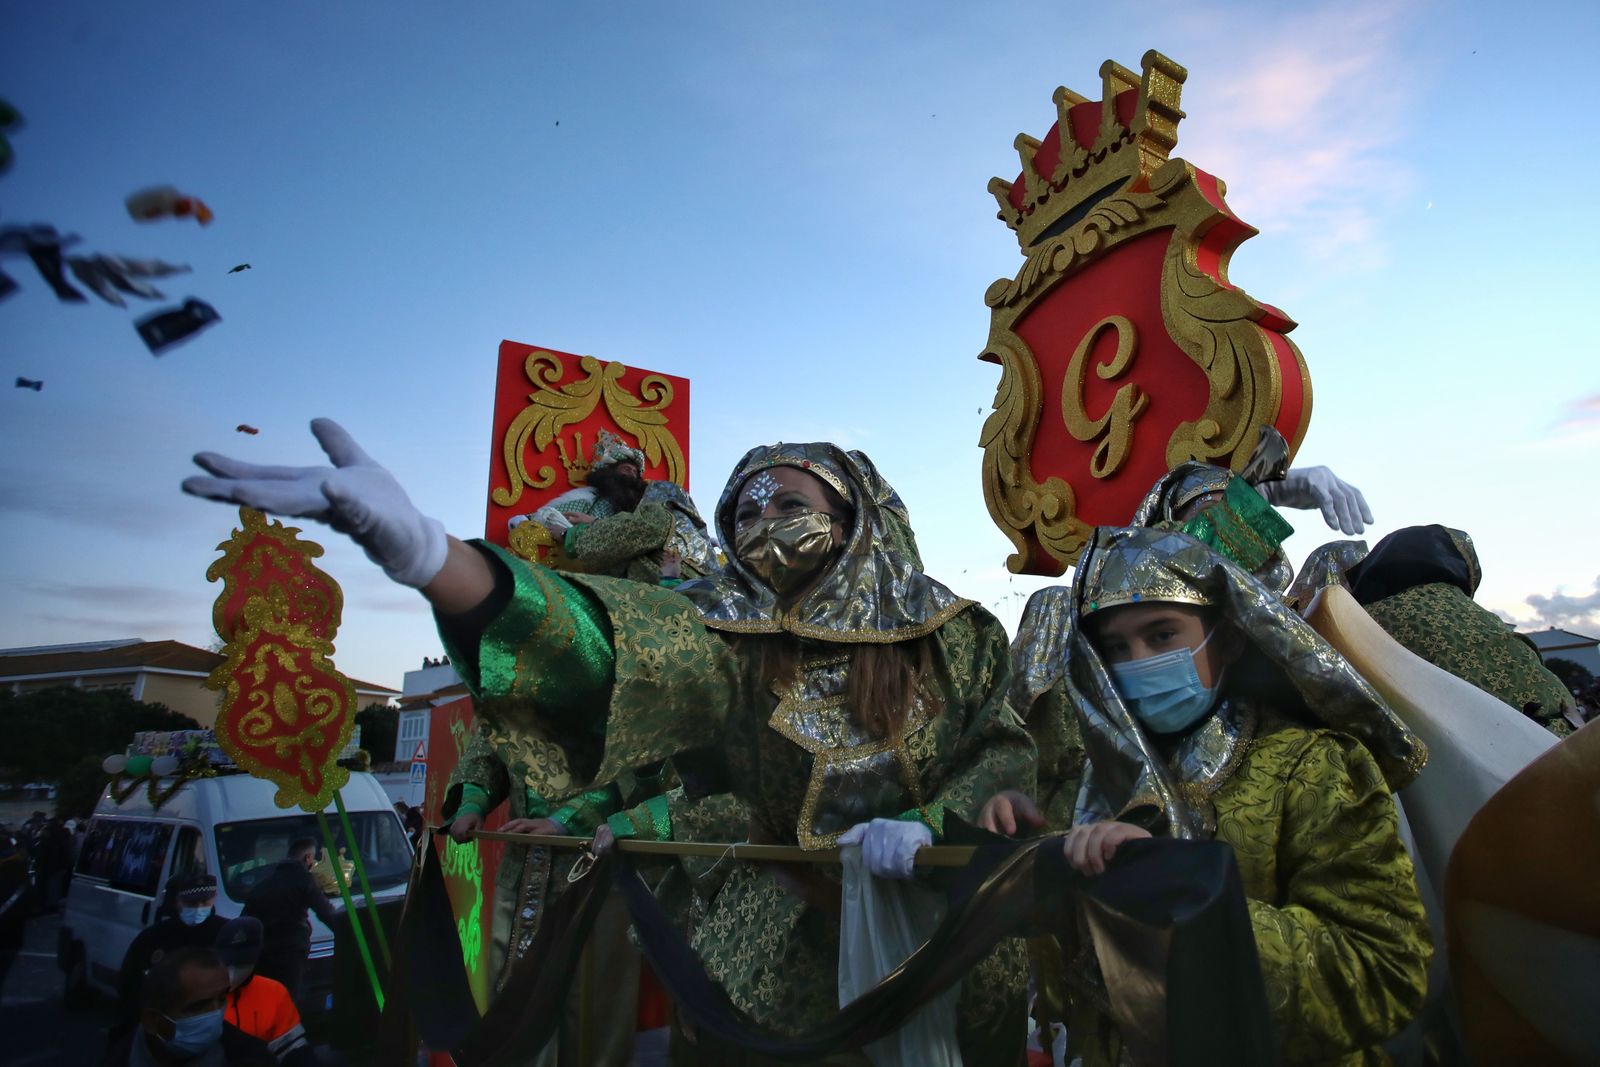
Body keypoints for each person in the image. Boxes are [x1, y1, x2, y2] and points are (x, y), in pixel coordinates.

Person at [183, 421, 1036, 1065]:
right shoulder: (720, 636)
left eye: (788, 504)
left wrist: (939, 821)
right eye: (743, 507)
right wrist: (434, 557)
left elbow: (1000, 747)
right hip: (768, 970)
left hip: (944, 951)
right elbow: (598, 644)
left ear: (853, 519)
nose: (758, 521)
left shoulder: (955, 635)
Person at [999, 525, 1431, 1066]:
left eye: (1161, 636)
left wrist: (1189, 897)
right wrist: (1026, 853)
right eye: (1114, 648)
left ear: (1226, 640)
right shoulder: (1098, 781)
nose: (1136, 661)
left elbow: (1383, 973)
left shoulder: (1314, 766)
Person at [518, 427, 716, 584]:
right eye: (625, 469)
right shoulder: (591, 498)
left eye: (634, 471)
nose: (630, 474)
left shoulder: (656, 511)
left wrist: (574, 533)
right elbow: (559, 516)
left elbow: (632, 530)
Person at [103, 946, 275, 1066]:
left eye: (221, 999)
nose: (215, 1015)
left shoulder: (251, 1057)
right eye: (198, 1007)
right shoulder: (119, 1059)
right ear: (151, 1021)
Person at [118, 874, 228, 1025]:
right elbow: (130, 983)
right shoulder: (153, 937)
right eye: (191, 903)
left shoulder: (225, 934)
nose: (198, 908)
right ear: (177, 901)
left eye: (204, 902)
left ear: (214, 898)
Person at [241, 839, 337, 1000]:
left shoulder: (264, 883)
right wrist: (351, 934)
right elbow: (325, 912)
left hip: (264, 954)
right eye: (313, 858)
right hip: (290, 953)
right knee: (288, 1000)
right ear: (307, 858)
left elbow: (246, 920)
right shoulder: (303, 879)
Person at [214, 917, 318, 1066]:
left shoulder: (272, 992)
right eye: (227, 962)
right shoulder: (199, 989)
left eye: (242, 964)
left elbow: (294, 1049)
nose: (233, 971)